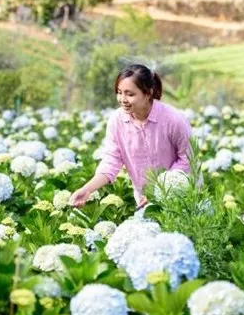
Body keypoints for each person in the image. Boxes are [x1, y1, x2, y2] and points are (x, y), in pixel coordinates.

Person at [69, 64, 193, 209]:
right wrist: (87, 190)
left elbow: (188, 159)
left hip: (182, 198)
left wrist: (160, 191)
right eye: (119, 92)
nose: (123, 99)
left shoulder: (173, 119)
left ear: (148, 93)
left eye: (130, 94)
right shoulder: (117, 120)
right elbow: (111, 160)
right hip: (144, 202)